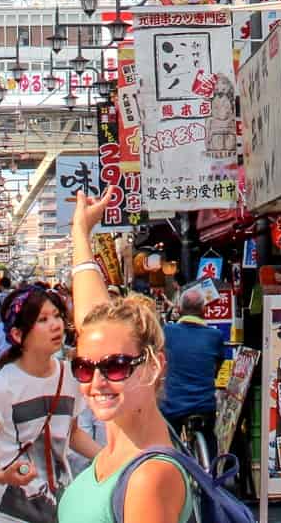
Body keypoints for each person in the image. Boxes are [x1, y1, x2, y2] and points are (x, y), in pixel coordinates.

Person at [63, 191, 192, 523]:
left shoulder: (149, 478)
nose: (97, 382)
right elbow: (94, 323)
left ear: (153, 367)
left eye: (116, 366)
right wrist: (81, 232)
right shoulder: (121, 444)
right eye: (83, 367)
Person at [0, 285, 99, 523]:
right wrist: (2, 475)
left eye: (57, 316)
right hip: (6, 516)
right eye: (43, 319)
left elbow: (74, 433)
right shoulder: (0, 387)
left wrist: (110, 459)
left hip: (58, 510)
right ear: (18, 335)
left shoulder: (69, 376)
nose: (56, 325)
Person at [159, 284, 229, 466]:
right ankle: (212, 475)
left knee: (167, 441)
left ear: (180, 309)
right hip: (204, 404)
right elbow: (218, 364)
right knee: (209, 437)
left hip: (173, 404)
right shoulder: (215, 336)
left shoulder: (168, 332)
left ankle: (170, 468)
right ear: (203, 310)